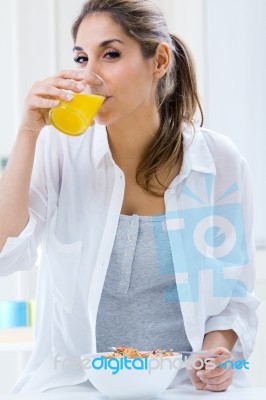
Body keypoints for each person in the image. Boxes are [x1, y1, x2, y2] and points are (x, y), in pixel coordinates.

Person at [0, 0, 259, 394]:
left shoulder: (219, 162)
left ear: (159, 61)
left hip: (184, 386)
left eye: (110, 54)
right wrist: (28, 132)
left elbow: (234, 298)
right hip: (75, 381)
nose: (90, 75)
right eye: (81, 58)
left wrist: (217, 352)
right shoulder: (61, 152)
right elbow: (7, 253)